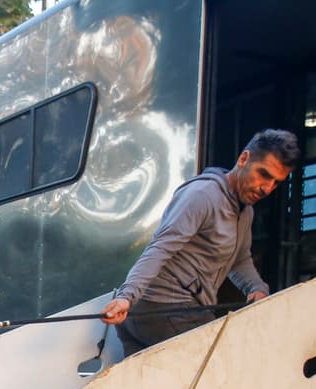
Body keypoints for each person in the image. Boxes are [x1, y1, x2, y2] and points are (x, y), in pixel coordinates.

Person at [101, 129, 301, 356]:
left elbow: (239, 260)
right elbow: (161, 246)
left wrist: (256, 288)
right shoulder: (203, 195)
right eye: (264, 174)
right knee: (224, 363)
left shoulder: (245, 212)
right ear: (244, 159)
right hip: (163, 308)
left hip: (162, 312)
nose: (267, 188)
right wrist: (127, 296)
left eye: (276, 182)